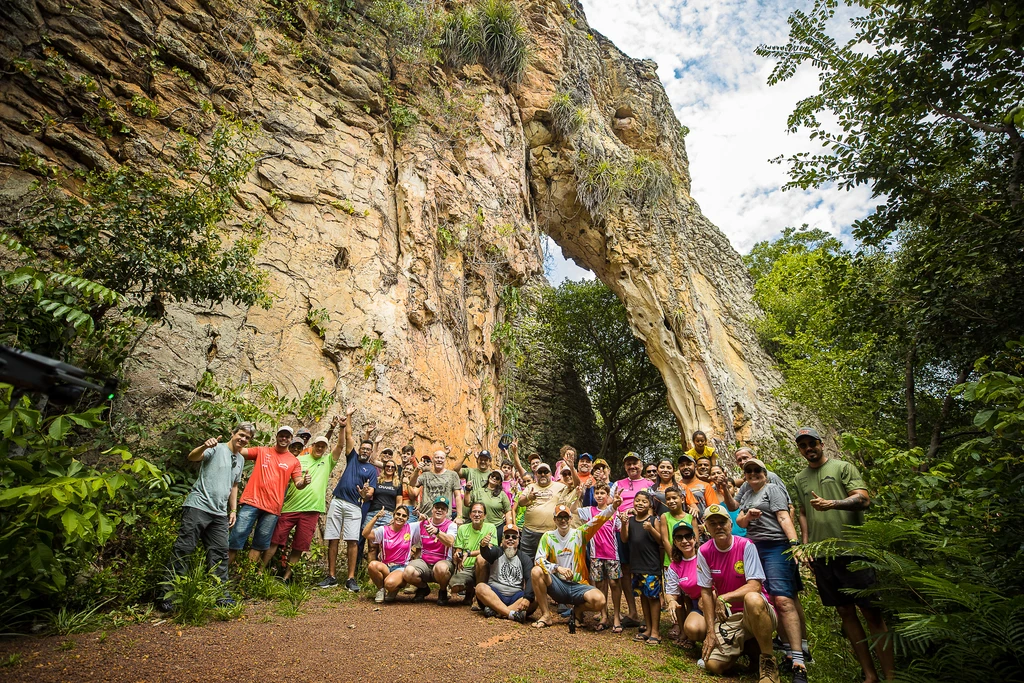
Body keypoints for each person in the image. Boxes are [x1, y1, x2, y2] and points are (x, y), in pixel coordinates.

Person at [793, 427, 894, 683]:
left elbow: (863, 499)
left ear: (821, 443)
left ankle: (891, 676)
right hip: (823, 555)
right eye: (803, 445)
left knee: (872, 613)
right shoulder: (800, 478)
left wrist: (833, 503)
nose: (808, 449)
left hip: (853, 550)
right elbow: (803, 512)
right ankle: (870, 676)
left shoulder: (843, 467)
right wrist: (806, 545)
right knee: (845, 612)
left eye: (812, 443)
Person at [157, 424, 252, 611]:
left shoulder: (240, 459)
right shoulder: (215, 448)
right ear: (232, 434)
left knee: (219, 554)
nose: (243, 439)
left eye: (247, 438)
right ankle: (167, 596)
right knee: (184, 549)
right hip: (198, 506)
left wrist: (233, 511)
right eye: (241, 435)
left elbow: (234, 486)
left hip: (219, 513)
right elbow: (193, 457)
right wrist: (204, 446)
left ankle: (220, 595)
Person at [737, 457, 808, 683]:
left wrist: (795, 544)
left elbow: (784, 516)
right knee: (763, 598)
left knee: (783, 599)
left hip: (776, 545)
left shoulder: (773, 489)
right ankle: (783, 652)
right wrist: (748, 516)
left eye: (756, 470)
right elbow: (739, 520)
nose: (752, 474)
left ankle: (799, 661)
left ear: (764, 473)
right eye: (748, 471)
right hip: (754, 547)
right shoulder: (747, 493)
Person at [697, 504, 780, 683]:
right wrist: (710, 631)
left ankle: (768, 663)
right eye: (713, 523)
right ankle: (744, 649)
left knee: (752, 599)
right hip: (731, 617)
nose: (718, 526)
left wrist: (724, 597)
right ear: (706, 528)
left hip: (756, 611)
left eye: (722, 522)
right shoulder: (704, 551)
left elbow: (755, 586)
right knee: (712, 665)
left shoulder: (746, 546)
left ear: (730, 524)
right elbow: (705, 591)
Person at [531, 494, 623, 629]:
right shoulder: (548, 537)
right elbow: (538, 560)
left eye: (566, 517)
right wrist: (557, 568)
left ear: (570, 518)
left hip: (578, 584)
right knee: (536, 571)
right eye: (559, 517)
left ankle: (578, 611)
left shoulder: (579, 534)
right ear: (554, 520)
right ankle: (546, 615)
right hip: (558, 585)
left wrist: (613, 507)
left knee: (600, 601)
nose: (563, 520)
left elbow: (597, 520)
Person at [267, 428, 345, 581]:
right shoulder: (299, 459)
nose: (320, 448)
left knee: (299, 546)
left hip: (312, 510)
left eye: (323, 447)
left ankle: (286, 578)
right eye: (318, 445)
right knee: (275, 540)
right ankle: (259, 573)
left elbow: (341, 446)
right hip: (290, 507)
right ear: (312, 446)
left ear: (326, 449)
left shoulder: (327, 461)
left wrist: (342, 427)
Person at [230, 425, 310, 566]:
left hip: (272, 509)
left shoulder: (294, 461)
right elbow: (241, 451)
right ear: (277, 436)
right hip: (251, 502)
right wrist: (234, 439)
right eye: (281, 435)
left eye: (287, 436)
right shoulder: (262, 451)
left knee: (259, 545)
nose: (284, 438)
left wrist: (304, 482)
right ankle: (222, 576)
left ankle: (244, 580)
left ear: (291, 439)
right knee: (235, 540)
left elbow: (298, 483)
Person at [321, 408, 377, 591]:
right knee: (333, 539)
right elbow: (349, 436)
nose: (365, 451)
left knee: (352, 540)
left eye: (368, 450)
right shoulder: (351, 457)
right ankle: (331, 576)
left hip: (354, 505)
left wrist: (365, 494)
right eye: (363, 448)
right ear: (359, 449)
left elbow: (371, 492)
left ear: (370, 453)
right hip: (338, 501)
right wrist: (349, 417)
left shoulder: (371, 470)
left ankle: (350, 578)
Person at [610, 452, 654, 629]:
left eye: (635, 463)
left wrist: (638, 514)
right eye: (628, 464)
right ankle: (633, 612)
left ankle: (648, 616)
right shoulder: (618, 484)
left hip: (642, 532)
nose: (632, 467)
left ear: (641, 465)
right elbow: (611, 505)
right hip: (622, 530)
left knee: (643, 569)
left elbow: (654, 508)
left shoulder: (649, 484)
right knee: (626, 570)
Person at [577, 483, 623, 632]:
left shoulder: (614, 512)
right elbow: (572, 511)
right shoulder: (589, 511)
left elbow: (620, 530)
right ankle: (604, 614)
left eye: (603, 493)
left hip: (612, 554)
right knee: (600, 584)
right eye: (597, 493)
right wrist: (578, 495)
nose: (599, 495)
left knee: (614, 583)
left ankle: (616, 615)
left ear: (607, 495)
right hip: (596, 554)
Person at [621, 490, 663, 644]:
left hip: (651, 566)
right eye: (637, 501)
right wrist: (624, 523)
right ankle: (648, 628)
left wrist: (651, 529)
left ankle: (656, 632)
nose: (640, 504)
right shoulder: (631, 521)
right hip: (636, 566)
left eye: (644, 501)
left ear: (649, 505)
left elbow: (661, 541)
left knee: (653, 597)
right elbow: (624, 539)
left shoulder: (653, 520)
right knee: (644, 597)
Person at [403, 496, 457, 604]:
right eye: (437, 507)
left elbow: (450, 541)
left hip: (443, 561)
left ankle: (442, 591)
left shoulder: (451, 525)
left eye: (443, 508)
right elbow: (404, 530)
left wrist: (437, 532)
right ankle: (423, 588)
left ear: (446, 512)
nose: (439, 510)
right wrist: (393, 524)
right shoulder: (422, 523)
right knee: (408, 572)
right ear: (432, 509)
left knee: (441, 569)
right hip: (425, 562)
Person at [474, 526, 535, 622]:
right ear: (502, 539)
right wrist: (483, 545)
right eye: (507, 536)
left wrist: (527, 598)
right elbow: (486, 553)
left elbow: (530, 579)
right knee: (480, 588)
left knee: (535, 597)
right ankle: (511, 614)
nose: (510, 539)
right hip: (495, 595)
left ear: (518, 540)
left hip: (516, 597)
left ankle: (498, 611)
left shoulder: (524, 558)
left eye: (514, 537)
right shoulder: (497, 552)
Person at [363, 505, 420, 603]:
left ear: (407, 518)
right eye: (398, 514)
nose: (400, 517)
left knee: (389, 583)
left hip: (401, 567)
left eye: (404, 516)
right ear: (393, 515)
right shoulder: (384, 530)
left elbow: (427, 523)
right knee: (372, 565)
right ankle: (381, 589)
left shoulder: (410, 528)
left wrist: (423, 517)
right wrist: (376, 517)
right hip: (386, 565)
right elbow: (365, 534)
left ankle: (394, 588)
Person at [516, 461, 569, 560]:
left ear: (551, 474)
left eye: (546, 472)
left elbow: (573, 486)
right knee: (526, 560)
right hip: (530, 532)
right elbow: (520, 502)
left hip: (551, 532)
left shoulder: (560, 486)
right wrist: (529, 497)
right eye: (540, 472)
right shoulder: (530, 487)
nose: (543, 474)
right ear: (536, 474)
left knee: (550, 561)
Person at [665, 523, 703, 648]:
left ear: (694, 538)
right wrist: (671, 600)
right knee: (692, 628)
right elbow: (671, 591)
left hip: (715, 601)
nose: (685, 541)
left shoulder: (705, 555)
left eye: (688, 536)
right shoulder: (675, 566)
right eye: (679, 538)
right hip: (697, 606)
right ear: (675, 542)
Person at [450, 502, 497, 605]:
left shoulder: (491, 528)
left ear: (484, 515)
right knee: (454, 587)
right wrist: (457, 556)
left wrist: (469, 553)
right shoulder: (463, 528)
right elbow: (458, 549)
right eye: (474, 512)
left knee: (481, 558)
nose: (476, 514)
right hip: (465, 567)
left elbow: (491, 549)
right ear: (470, 515)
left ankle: (478, 597)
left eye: (480, 512)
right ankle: (469, 592)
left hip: (483, 567)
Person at [412, 449, 464, 522]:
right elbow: (412, 484)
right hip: (425, 517)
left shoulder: (452, 475)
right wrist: (417, 470)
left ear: (445, 460)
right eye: (437, 457)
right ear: (433, 460)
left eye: (442, 458)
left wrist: (459, 516)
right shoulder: (425, 475)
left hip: (444, 518)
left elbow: (458, 496)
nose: (439, 460)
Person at [468, 469, 512, 535]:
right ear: (489, 476)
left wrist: (508, 530)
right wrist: (467, 490)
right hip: (480, 526)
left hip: (497, 526)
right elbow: (467, 503)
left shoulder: (502, 494)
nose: (494, 478)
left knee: (495, 545)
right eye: (493, 475)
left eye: (497, 478)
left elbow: (508, 511)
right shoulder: (478, 491)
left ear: (500, 482)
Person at [457, 449, 493, 518]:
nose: (483, 461)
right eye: (481, 459)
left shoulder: (492, 476)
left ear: (489, 462)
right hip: (467, 513)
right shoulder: (469, 471)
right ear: (477, 460)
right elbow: (456, 471)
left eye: (485, 460)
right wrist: (465, 456)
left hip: (483, 514)